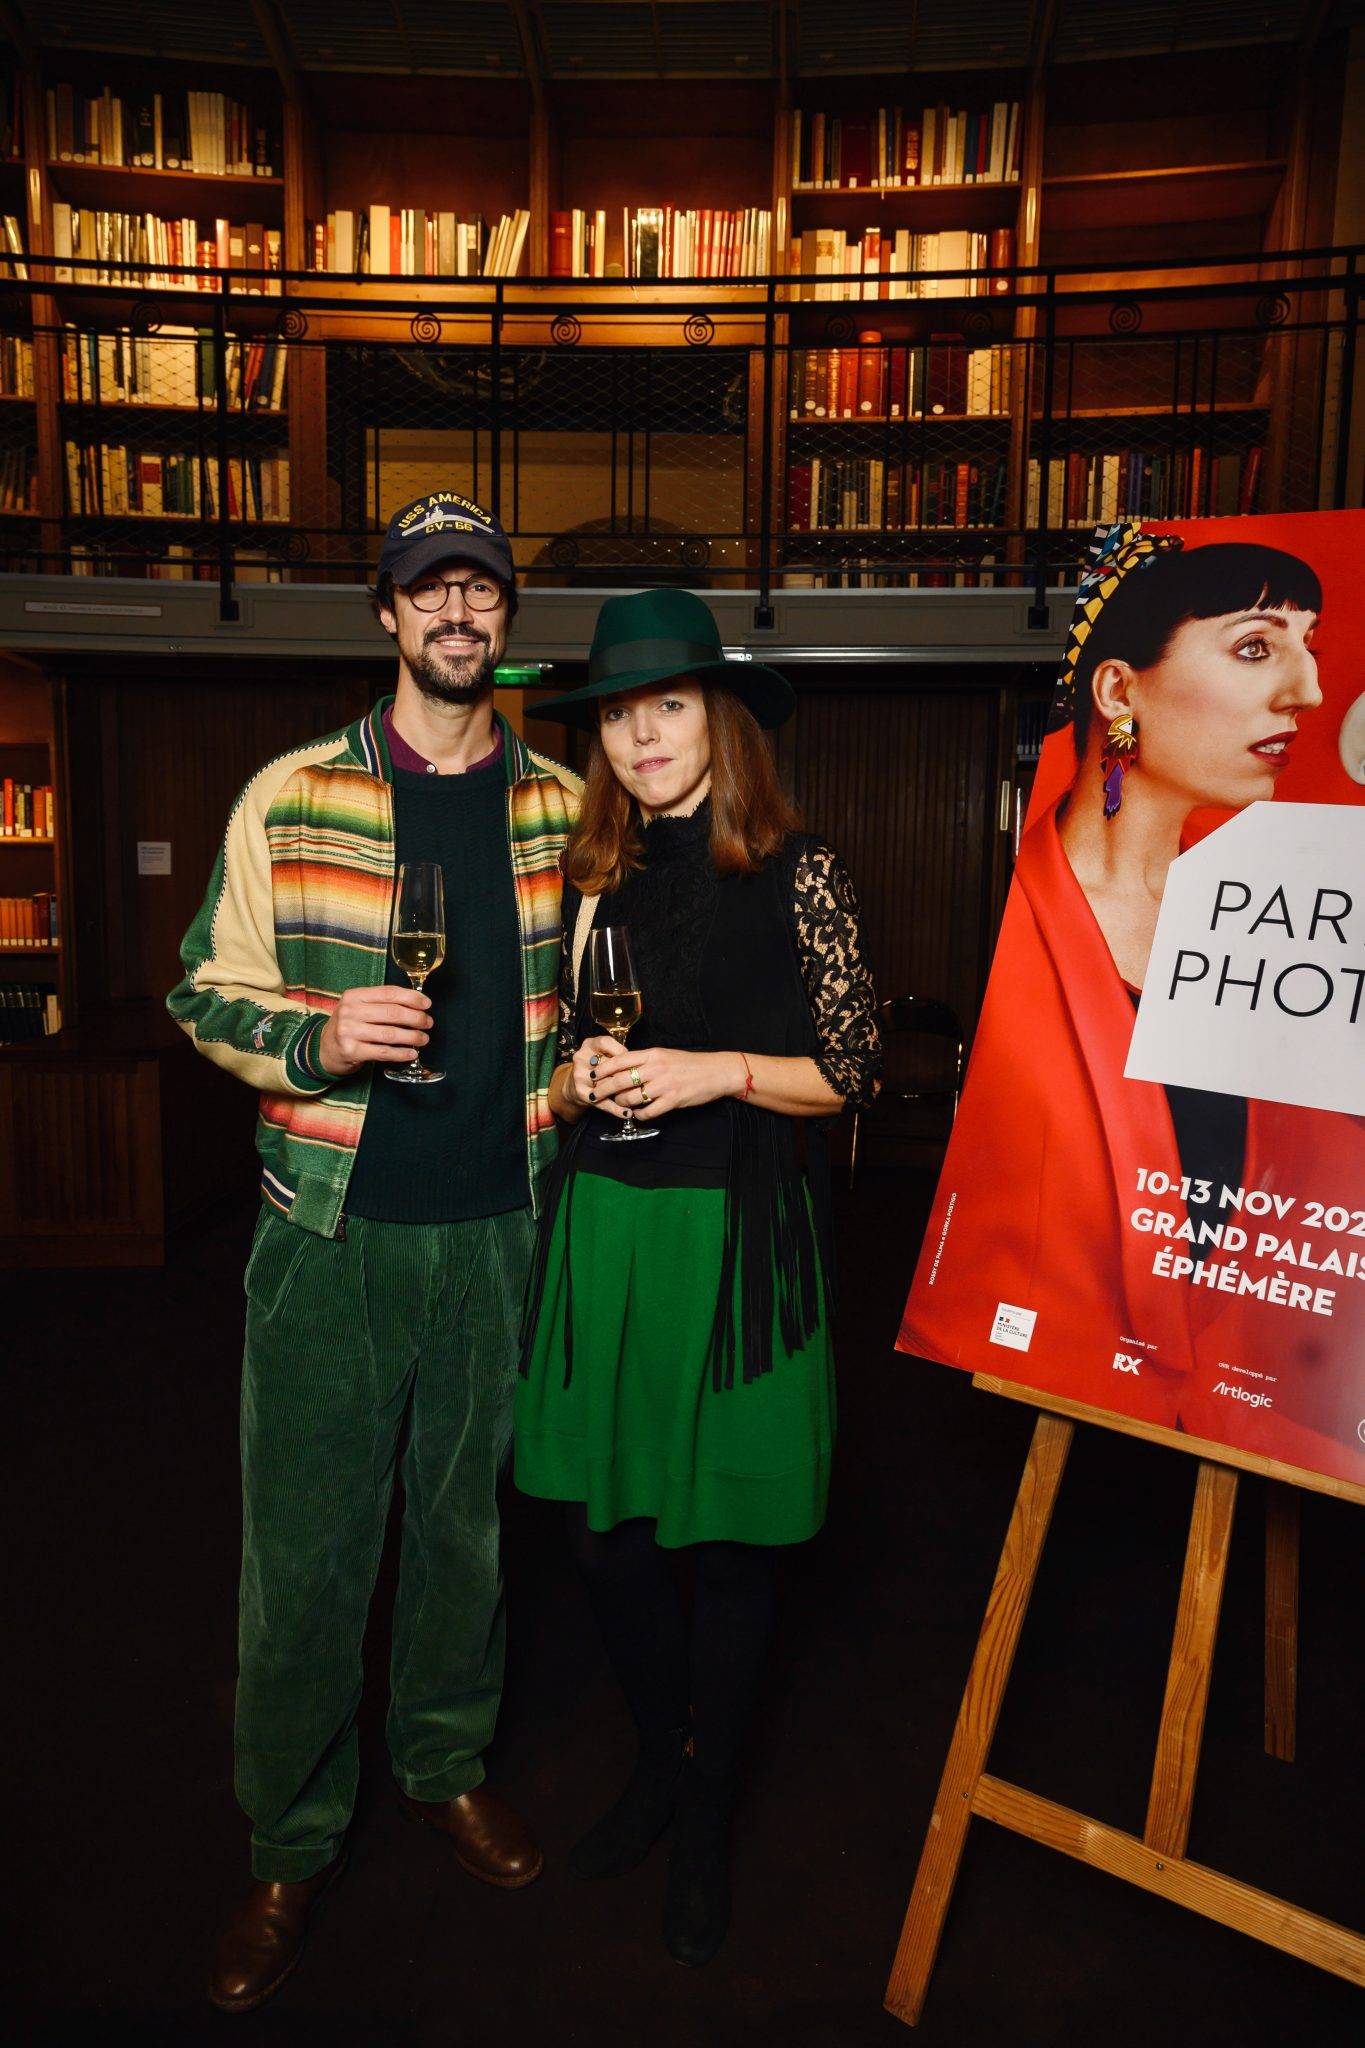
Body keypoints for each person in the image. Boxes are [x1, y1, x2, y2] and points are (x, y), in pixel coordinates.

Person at [167, 491, 581, 2013]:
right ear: (388, 617)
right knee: (306, 1555)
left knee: (467, 1535)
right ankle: (288, 1841)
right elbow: (206, 995)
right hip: (327, 1235)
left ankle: (443, 1763)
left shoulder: (560, 805)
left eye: (482, 587)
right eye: (431, 590)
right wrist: (321, 1033)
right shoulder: (290, 797)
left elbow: (600, 994)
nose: (458, 613)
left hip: (500, 1231)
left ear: (501, 620)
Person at [514, 586, 882, 1966]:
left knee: (725, 1551)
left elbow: (855, 1073)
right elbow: (559, 1064)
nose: (642, 734)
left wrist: (717, 1070)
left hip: (736, 1249)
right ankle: (665, 1761)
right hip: (606, 1232)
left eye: (668, 704)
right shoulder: (592, 877)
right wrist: (576, 1078)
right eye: (619, 712)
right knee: (605, 1541)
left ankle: (708, 1804)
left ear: (720, 717)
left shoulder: (803, 870)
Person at [901, 525, 1363, 1471]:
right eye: (1254, 647)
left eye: (1306, 649)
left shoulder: (1278, 925)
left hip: (1260, 1399)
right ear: (1118, 691)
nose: (1308, 693)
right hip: (1081, 1368)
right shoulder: (1034, 927)